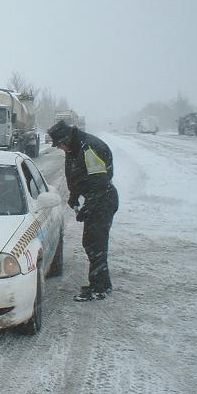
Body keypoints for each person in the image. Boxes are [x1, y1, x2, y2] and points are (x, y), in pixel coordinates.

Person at [47, 120, 119, 302]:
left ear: (67, 138)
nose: (60, 148)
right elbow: (76, 175)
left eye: (60, 144)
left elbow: (99, 183)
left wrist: (89, 207)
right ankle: (100, 283)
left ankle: (100, 288)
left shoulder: (89, 149)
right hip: (97, 199)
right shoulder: (75, 147)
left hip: (103, 200)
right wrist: (74, 195)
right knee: (92, 243)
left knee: (96, 244)